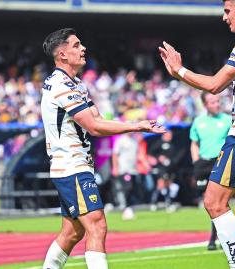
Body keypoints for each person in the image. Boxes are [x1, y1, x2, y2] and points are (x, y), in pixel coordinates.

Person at [159, 0, 235, 267]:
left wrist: (179, 71)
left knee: (214, 202)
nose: (224, 17)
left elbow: (215, 85)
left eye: (228, 11)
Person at [41, 28, 165, 269]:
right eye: (76, 45)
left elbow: (97, 118)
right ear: (62, 54)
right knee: (97, 224)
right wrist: (135, 126)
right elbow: (94, 127)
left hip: (74, 164)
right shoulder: (61, 85)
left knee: (72, 232)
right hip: (71, 164)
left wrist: (134, 124)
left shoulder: (75, 84)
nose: (83, 48)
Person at [190, 92, 231, 250]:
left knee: (219, 201)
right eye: (212, 102)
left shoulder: (227, 120)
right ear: (205, 105)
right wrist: (196, 162)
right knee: (209, 203)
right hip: (203, 164)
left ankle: (215, 238)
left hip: (219, 162)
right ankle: (219, 236)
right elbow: (194, 143)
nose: (216, 104)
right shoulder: (198, 122)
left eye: (217, 101)